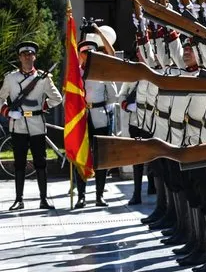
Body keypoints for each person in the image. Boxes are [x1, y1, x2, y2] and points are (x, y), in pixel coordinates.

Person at [0, 41, 63, 210]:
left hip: (36, 124)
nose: (27, 57)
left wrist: (42, 107)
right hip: (18, 125)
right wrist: (7, 112)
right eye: (24, 55)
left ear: (34, 57)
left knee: (40, 162)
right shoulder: (10, 78)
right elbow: (0, 99)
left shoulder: (43, 78)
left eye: (30, 54)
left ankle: (43, 199)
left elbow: (57, 98)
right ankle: (18, 200)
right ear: (20, 57)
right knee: (19, 163)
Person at [75, 39, 118, 208]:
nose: (88, 56)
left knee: (101, 158)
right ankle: (81, 196)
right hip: (82, 118)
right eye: (85, 53)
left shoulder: (102, 72)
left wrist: (105, 107)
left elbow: (113, 95)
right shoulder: (76, 73)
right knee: (82, 158)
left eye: (91, 53)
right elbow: (68, 99)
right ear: (81, 55)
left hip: (100, 116)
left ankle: (99, 195)